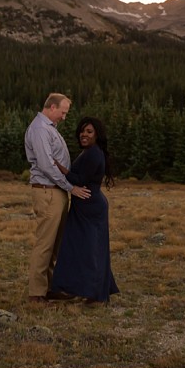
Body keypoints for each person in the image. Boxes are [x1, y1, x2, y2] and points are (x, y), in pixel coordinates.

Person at [24, 93, 91, 303]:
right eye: (63, 112)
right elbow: (46, 165)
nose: (64, 117)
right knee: (46, 243)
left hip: (56, 191)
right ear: (52, 107)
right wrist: (69, 187)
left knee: (55, 243)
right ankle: (36, 293)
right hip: (48, 191)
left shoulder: (48, 129)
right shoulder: (39, 130)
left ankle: (49, 286)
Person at [50, 116, 119, 304]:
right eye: (82, 131)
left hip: (90, 206)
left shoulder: (93, 153)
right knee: (83, 248)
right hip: (86, 205)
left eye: (89, 132)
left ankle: (95, 294)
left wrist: (58, 167)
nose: (84, 134)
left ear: (97, 135)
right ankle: (88, 291)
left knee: (89, 250)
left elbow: (79, 179)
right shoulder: (90, 152)